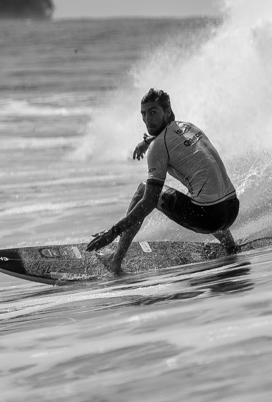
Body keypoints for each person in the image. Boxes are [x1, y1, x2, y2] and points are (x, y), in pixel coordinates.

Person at [86, 88, 240, 274]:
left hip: (208, 218)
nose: (147, 119)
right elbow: (171, 135)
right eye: (143, 114)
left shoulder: (159, 147)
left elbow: (149, 202)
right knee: (203, 192)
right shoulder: (190, 127)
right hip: (231, 209)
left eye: (153, 112)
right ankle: (230, 246)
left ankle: (115, 261)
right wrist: (148, 141)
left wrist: (113, 232)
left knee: (144, 190)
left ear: (167, 112)